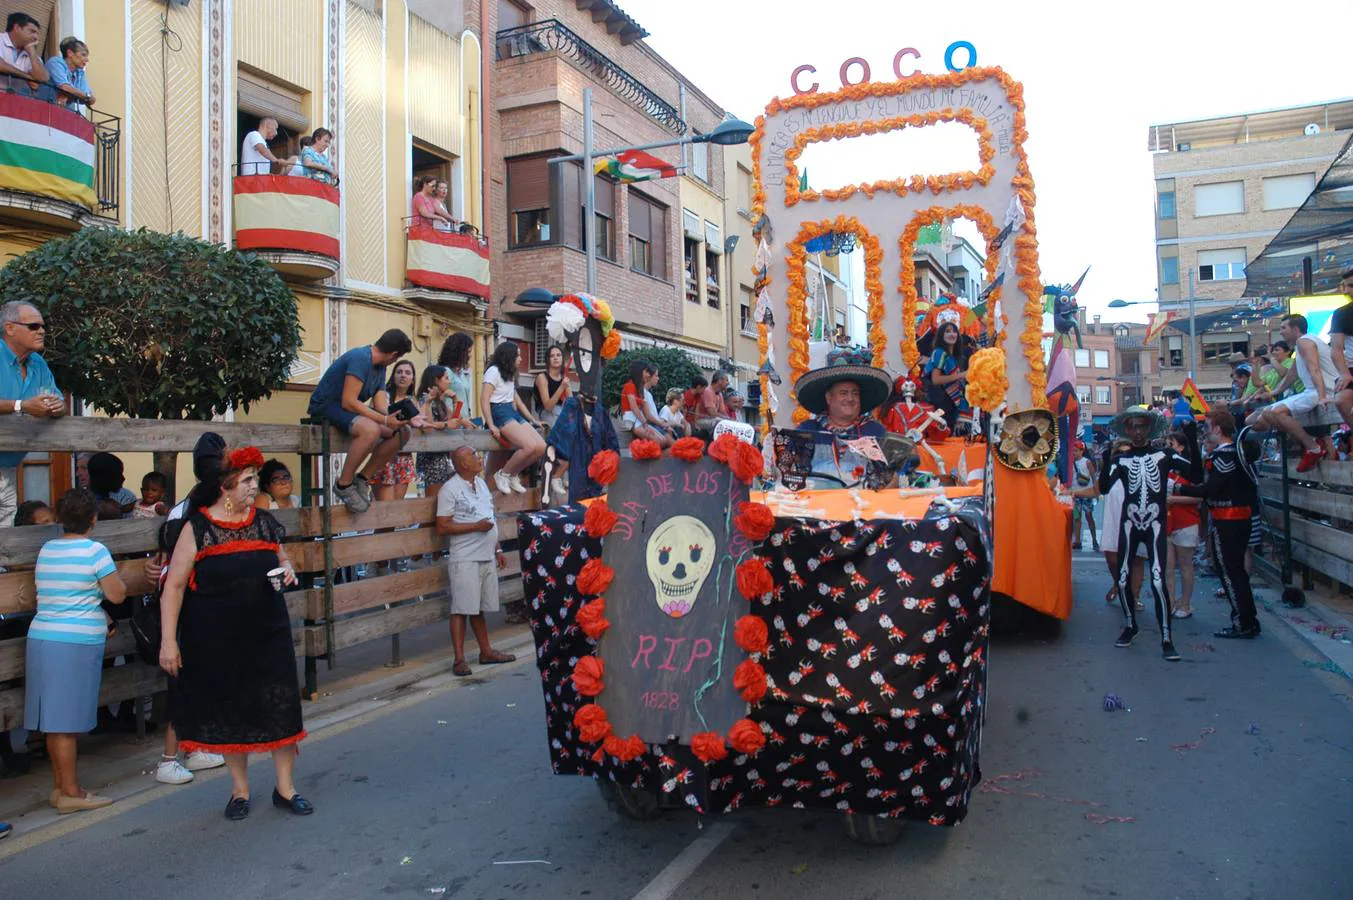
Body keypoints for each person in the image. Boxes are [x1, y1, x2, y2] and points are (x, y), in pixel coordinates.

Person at [158, 445, 311, 821]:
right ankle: (240, 791)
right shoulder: (198, 528)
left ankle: (285, 788)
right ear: (225, 487)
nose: (253, 486)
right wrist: (168, 640)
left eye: (254, 479)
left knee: (280, 707)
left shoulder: (264, 522)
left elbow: (281, 558)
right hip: (217, 641)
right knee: (231, 712)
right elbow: (174, 586)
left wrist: (287, 570)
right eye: (246, 480)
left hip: (268, 633)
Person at [26, 488, 127, 813]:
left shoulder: (47, 549)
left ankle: (60, 788)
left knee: (54, 722)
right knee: (67, 723)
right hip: (75, 641)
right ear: (93, 520)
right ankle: (72, 792)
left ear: (60, 519)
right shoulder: (95, 551)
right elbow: (117, 595)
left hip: (42, 637)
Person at [145, 432, 228, 785]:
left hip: (189, 603)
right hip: (191, 604)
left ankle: (194, 749)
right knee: (186, 682)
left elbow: (164, 554)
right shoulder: (208, 507)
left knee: (195, 680)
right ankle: (168, 759)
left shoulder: (184, 505)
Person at [1098, 406, 1201, 661]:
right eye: (1133, 427)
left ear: (1148, 428)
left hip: (1155, 523)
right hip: (1130, 524)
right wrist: (1104, 461)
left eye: (1142, 426)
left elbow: (1196, 475)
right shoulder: (1121, 460)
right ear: (1127, 430)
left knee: (1157, 581)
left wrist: (1194, 442)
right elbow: (1103, 487)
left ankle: (1166, 637)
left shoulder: (1164, 455)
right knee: (1122, 580)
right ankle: (1131, 624)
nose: (1138, 431)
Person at [307, 328, 417, 513]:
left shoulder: (381, 367)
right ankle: (344, 484)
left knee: (402, 433)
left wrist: (393, 418)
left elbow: (381, 403)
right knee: (371, 430)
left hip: (347, 410)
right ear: (394, 354)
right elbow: (349, 401)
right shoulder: (360, 358)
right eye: (397, 358)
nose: (395, 361)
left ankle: (362, 479)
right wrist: (383, 419)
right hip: (327, 406)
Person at [1178, 410, 1261, 639]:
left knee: (1230, 572)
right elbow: (1201, 479)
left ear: (1216, 428)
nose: (1205, 430)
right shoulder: (1229, 454)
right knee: (1235, 573)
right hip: (1231, 519)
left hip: (1230, 520)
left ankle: (1243, 623)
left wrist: (1177, 489)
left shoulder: (1225, 456)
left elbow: (1209, 489)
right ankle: (1248, 620)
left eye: (1207, 426)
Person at [435, 447, 517, 677]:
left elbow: (489, 516)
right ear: (462, 463)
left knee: (478, 607)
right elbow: (442, 525)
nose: (478, 458)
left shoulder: (480, 484)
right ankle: (459, 659)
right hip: (465, 555)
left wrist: (497, 547)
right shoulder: (449, 489)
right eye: (473, 455)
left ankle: (485, 651)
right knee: (461, 608)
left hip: (485, 553)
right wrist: (475, 527)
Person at [1246, 314, 1340, 473]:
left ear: (1295, 329)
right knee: (1253, 420)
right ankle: (1305, 440)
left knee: (1272, 413)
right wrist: (1273, 393)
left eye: (1284, 328)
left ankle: (1312, 447)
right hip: (1312, 391)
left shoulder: (1305, 342)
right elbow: (1292, 374)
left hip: (1320, 390)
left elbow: (1315, 369)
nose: (1281, 332)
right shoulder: (1301, 345)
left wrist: (1323, 396)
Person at [1, 301, 65, 524]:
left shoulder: (38, 363)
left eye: (42, 326)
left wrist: (57, 407)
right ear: (9, 328)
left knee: (5, 539)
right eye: (33, 326)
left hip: (8, 465)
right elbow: (26, 405)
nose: (41, 331)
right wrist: (22, 405)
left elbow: (58, 399)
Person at [793, 350, 893, 489]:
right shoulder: (808, 430)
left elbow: (889, 475)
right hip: (817, 505)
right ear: (829, 398)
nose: (850, 399)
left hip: (865, 505)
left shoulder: (875, 430)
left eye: (855, 393)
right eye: (843, 393)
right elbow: (792, 472)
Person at [481, 341, 545, 495]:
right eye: (517, 355)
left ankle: (513, 474)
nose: (521, 358)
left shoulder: (510, 374)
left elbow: (518, 401)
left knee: (541, 446)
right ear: (508, 356)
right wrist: (491, 425)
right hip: (499, 411)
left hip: (511, 410)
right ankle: (503, 474)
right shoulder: (493, 371)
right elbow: (484, 399)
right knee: (528, 446)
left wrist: (532, 420)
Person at [1164, 431, 1202, 619]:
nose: (1167, 448)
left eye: (1170, 444)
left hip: (1186, 521)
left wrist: (1174, 499)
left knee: (1186, 565)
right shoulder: (1165, 467)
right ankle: (1170, 602)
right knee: (1167, 566)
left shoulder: (1191, 468)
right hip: (1166, 522)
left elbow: (1199, 496)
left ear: (1180, 446)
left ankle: (1185, 603)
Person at [369, 359, 418, 503]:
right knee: (385, 510)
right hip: (384, 456)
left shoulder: (413, 400)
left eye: (407, 373)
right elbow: (376, 418)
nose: (403, 375)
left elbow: (422, 422)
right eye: (399, 372)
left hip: (405, 457)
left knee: (396, 510)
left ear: (412, 378)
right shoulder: (383, 396)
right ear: (393, 375)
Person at [416, 365, 468, 502]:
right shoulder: (425, 399)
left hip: (443, 457)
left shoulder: (440, 402)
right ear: (436, 380)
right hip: (431, 459)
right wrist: (446, 424)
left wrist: (455, 399)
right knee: (433, 503)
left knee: (446, 502)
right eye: (446, 378)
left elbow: (456, 419)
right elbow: (426, 425)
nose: (449, 382)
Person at [534, 346, 571, 502]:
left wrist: (567, 388)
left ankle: (562, 475)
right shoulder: (542, 377)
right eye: (552, 356)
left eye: (558, 355)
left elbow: (570, 402)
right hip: (547, 415)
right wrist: (562, 387)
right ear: (547, 359)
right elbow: (548, 405)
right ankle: (557, 476)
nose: (556, 358)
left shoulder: (564, 377)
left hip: (561, 414)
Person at [924, 321, 970, 432]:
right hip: (941, 402)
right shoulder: (939, 353)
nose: (952, 334)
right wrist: (961, 375)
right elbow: (935, 380)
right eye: (947, 331)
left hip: (951, 402)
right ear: (941, 335)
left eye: (954, 331)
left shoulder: (956, 357)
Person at [621, 359, 671, 447]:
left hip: (638, 421)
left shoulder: (639, 388)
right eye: (646, 372)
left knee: (662, 440)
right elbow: (634, 407)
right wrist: (645, 424)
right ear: (640, 372)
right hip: (633, 422)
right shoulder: (630, 385)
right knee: (658, 441)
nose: (648, 374)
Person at [43, 37, 94, 110]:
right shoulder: (55, 62)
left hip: (62, 111)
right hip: (42, 106)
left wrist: (68, 94)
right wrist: (74, 93)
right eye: (83, 55)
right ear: (70, 53)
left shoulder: (79, 72)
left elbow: (91, 100)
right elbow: (64, 87)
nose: (87, 60)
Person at [1329, 270, 1353, 429]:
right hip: (1351, 368)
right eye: (1347, 286)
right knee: (1341, 400)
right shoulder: (1341, 314)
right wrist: (1345, 373)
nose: (1349, 290)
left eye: (1351, 286)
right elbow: (1336, 349)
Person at [0, 13, 47, 91]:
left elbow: (43, 78)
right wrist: (26, 76)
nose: (36, 37)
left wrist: (32, 52)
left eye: (37, 34)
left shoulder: (32, 54)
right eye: (32, 31)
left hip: (11, 101)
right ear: (17, 28)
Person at [437, 331, 476, 423]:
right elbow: (440, 399)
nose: (469, 355)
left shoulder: (462, 373)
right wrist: (459, 419)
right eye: (468, 352)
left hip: (465, 421)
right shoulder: (445, 372)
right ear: (459, 352)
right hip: (452, 421)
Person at [87, 452, 137, 519]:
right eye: (118, 474)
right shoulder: (109, 509)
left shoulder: (82, 502)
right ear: (106, 477)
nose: (123, 478)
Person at [1071, 441, 1099, 551]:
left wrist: (1096, 491)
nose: (1075, 453)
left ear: (1082, 451)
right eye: (1073, 451)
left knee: (1089, 516)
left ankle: (1094, 540)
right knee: (1077, 517)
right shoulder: (1070, 463)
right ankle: (1077, 541)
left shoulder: (1087, 462)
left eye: (1077, 451)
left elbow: (1093, 476)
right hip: (1075, 494)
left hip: (1087, 494)